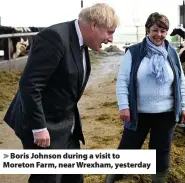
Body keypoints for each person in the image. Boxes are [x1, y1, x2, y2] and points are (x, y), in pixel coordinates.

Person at [3, 3, 119, 183]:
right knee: (48, 178)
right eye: (109, 32)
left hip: (65, 125)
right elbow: (30, 84)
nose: (110, 39)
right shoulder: (54, 37)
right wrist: (39, 128)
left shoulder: (81, 42)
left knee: (73, 176)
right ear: (94, 25)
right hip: (43, 125)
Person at [105, 12, 185, 183]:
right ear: (147, 30)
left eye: (163, 31)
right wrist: (124, 106)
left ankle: (158, 180)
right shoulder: (134, 52)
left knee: (161, 150)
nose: (159, 35)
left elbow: (181, 82)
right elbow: (123, 80)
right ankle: (112, 179)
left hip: (166, 112)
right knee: (128, 147)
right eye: (155, 30)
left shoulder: (172, 53)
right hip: (138, 112)